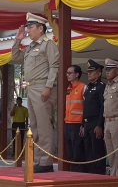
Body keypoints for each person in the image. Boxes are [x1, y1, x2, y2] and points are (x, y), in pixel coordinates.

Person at [12, 13, 59, 173]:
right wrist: (18, 39)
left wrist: (48, 86)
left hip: (42, 88)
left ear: (41, 28)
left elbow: (55, 65)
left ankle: (46, 161)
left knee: (44, 125)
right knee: (35, 125)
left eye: (30, 27)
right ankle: (39, 160)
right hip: (31, 89)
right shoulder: (31, 47)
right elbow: (15, 56)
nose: (28, 31)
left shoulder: (48, 44)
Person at [83, 59, 106, 175]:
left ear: (99, 73)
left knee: (97, 150)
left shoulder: (101, 87)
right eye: (88, 72)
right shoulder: (88, 87)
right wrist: (83, 124)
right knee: (88, 151)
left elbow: (103, 107)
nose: (89, 74)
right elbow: (85, 107)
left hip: (95, 122)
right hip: (87, 123)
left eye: (92, 72)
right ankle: (91, 174)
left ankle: (99, 174)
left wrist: (99, 125)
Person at [65, 65, 86, 172]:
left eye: (70, 73)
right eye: (67, 73)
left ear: (77, 74)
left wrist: (84, 124)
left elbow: (87, 107)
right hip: (68, 123)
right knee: (70, 152)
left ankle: (79, 174)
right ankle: (72, 173)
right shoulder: (69, 88)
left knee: (78, 151)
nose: (67, 75)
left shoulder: (83, 87)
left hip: (78, 124)